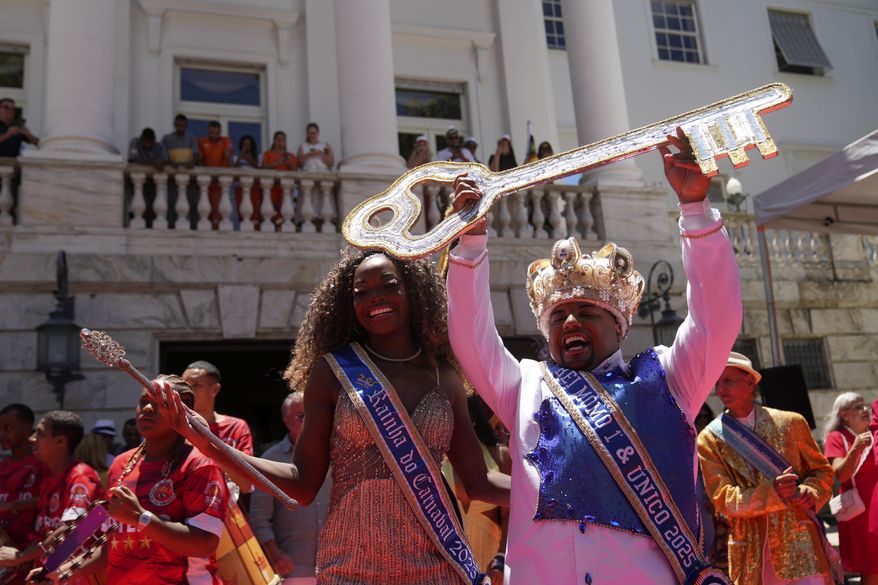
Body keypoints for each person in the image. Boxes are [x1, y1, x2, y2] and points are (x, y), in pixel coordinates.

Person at [446, 130, 742, 584]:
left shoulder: (668, 377)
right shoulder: (527, 386)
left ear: (619, 326)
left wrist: (696, 212)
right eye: (559, 315)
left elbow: (716, 321)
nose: (569, 322)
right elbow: (472, 338)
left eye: (586, 312)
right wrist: (469, 244)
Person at [153, 247, 510, 585]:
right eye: (361, 292)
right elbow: (302, 484)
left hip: (436, 562)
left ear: (414, 292)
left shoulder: (442, 376)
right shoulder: (333, 372)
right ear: (348, 303)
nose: (375, 298)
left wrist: (554, 489)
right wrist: (209, 443)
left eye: (389, 286)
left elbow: (478, 483)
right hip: (350, 564)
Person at [49, 375, 229, 585]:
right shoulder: (120, 464)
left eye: (160, 403)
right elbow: (114, 542)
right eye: (144, 402)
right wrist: (63, 571)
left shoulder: (200, 465)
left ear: (184, 409)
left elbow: (204, 544)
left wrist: (141, 518)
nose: (148, 409)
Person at [697, 352, 835, 585]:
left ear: (751, 382)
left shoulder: (791, 422)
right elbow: (722, 499)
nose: (721, 389)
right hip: (750, 547)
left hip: (800, 542)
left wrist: (809, 492)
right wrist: (772, 493)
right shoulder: (709, 439)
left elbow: (822, 472)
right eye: (717, 383)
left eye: (728, 380)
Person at [0, 411, 102, 578]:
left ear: (60, 441)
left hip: (74, 577)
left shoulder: (81, 477)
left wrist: (20, 557)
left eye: (40, 433)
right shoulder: (48, 478)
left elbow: (76, 533)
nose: (32, 439)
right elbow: (46, 532)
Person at [251, 393, 330, 585]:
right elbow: (259, 516)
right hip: (292, 568)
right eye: (303, 416)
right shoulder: (271, 459)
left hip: (335, 565)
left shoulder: (335, 452)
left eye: (314, 414)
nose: (311, 421)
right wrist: (274, 555)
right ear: (287, 421)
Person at [823, 392, 878, 584]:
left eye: (865, 405)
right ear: (844, 414)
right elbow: (840, 474)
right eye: (858, 407)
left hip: (875, 508)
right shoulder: (837, 437)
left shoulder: (873, 432)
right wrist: (856, 449)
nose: (865, 410)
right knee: (873, 567)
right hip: (860, 512)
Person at [181, 360, 254, 497]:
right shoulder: (174, 426)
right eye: (184, 385)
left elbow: (246, 484)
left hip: (227, 513)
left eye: (196, 385)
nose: (187, 391)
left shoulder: (236, 427)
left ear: (214, 389)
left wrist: (207, 448)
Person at [0, 404, 41, 561]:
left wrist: (11, 506)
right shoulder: (3, 466)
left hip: (32, 554)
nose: (1, 434)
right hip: (5, 556)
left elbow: (49, 501)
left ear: (26, 427)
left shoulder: (42, 464)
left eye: (7, 428)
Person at [198, 121, 233, 229]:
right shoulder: (201, 141)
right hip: (206, 181)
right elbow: (199, 160)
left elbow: (228, 154)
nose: (213, 135)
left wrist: (227, 152)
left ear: (220, 132)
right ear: (208, 131)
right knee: (204, 209)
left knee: (218, 210)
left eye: (216, 133)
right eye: (211, 133)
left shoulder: (225, 140)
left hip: (220, 183)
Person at [261, 131, 299, 228]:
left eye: (283, 140)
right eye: (279, 140)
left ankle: (282, 227)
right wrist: (278, 163)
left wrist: (289, 164)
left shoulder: (290, 156)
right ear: (274, 141)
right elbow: (264, 167)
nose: (281, 142)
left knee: (284, 209)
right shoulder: (267, 154)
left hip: (285, 188)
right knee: (271, 208)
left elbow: (296, 170)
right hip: (271, 187)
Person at [232, 134, 261, 229]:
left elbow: (261, 171)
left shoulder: (258, 158)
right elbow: (232, 173)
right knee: (242, 211)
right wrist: (240, 158)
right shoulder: (236, 158)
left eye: (249, 145)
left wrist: (251, 160)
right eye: (245, 145)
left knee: (255, 211)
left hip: (254, 188)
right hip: (240, 188)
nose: (247, 147)